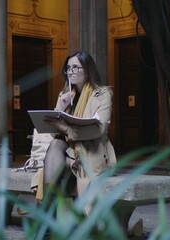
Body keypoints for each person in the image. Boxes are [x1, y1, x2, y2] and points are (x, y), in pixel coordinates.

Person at [35, 51, 116, 212]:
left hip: (91, 150)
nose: (70, 71)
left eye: (75, 68)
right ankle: (46, 221)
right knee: (57, 143)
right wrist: (60, 108)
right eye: (68, 68)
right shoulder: (65, 96)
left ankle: (45, 222)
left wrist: (65, 128)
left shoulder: (102, 95)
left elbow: (99, 130)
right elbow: (53, 133)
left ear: (87, 69)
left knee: (56, 154)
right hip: (66, 152)